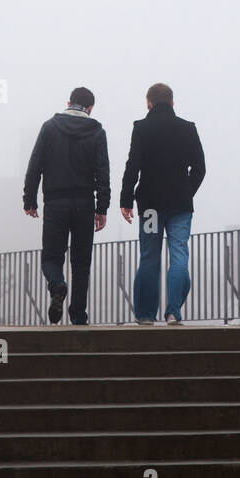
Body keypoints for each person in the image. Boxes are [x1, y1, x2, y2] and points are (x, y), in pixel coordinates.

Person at [22, 86, 110, 325]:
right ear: (90, 108)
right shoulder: (97, 132)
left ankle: (57, 285)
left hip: (55, 203)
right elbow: (103, 173)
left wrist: (29, 199)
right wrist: (102, 208)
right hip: (84, 204)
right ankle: (79, 316)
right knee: (81, 262)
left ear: (68, 101)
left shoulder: (49, 128)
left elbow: (35, 166)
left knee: (52, 257)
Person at [120, 83, 205, 324]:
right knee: (179, 255)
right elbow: (200, 168)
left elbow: (132, 166)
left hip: (150, 206)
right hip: (180, 206)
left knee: (149, 256)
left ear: (148, 103)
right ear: (172, 102)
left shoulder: (141, 128)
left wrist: (126, 199)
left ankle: (146, 315)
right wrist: (186, 192)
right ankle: (173, 312)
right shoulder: (187, 129)